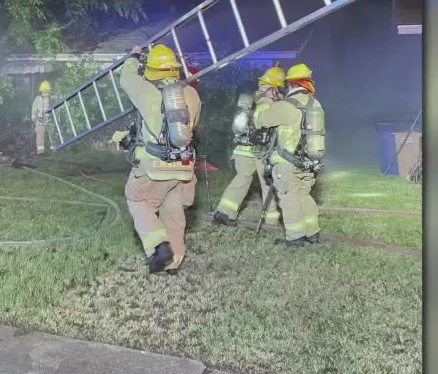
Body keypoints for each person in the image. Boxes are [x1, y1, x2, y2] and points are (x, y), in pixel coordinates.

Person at [118, 43, 201, 274]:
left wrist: (133, 56)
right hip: (184, 167)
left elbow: (126, 77)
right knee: (173, 211)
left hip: (155, 166)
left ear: (153, 70)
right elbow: (192, 126)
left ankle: (158, 247)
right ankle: (174, 262)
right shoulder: (192, 94)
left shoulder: (146, 91)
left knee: (137, 200)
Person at [259, 63, 326, 246]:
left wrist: (267, 101)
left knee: (289, 199)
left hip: (287, 163)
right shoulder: (315, 103)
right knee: (304, 196)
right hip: (310, 162)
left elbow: (261, 120)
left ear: (290, 84)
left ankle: (295, 238)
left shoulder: (286, 105)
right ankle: (313, 233)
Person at [213, 66, 285, 227]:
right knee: (267, 183)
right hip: (261, 151)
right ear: (275, 87)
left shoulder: (250, 100)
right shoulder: (271, 104)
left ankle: (225, 212)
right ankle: (271, 219)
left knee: (241, 180)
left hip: (242, 149)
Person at [30, 81, 52, 155]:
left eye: (47, 91)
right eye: (45, 91)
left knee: (44, 135)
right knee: (45, 136)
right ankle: (44, 151)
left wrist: (33, 119)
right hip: (44, 120)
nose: (46, 93)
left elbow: (34, 110)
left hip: (44, 120)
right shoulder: (39, 99)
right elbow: (34, 110)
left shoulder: (40, 99)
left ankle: (44, 151)